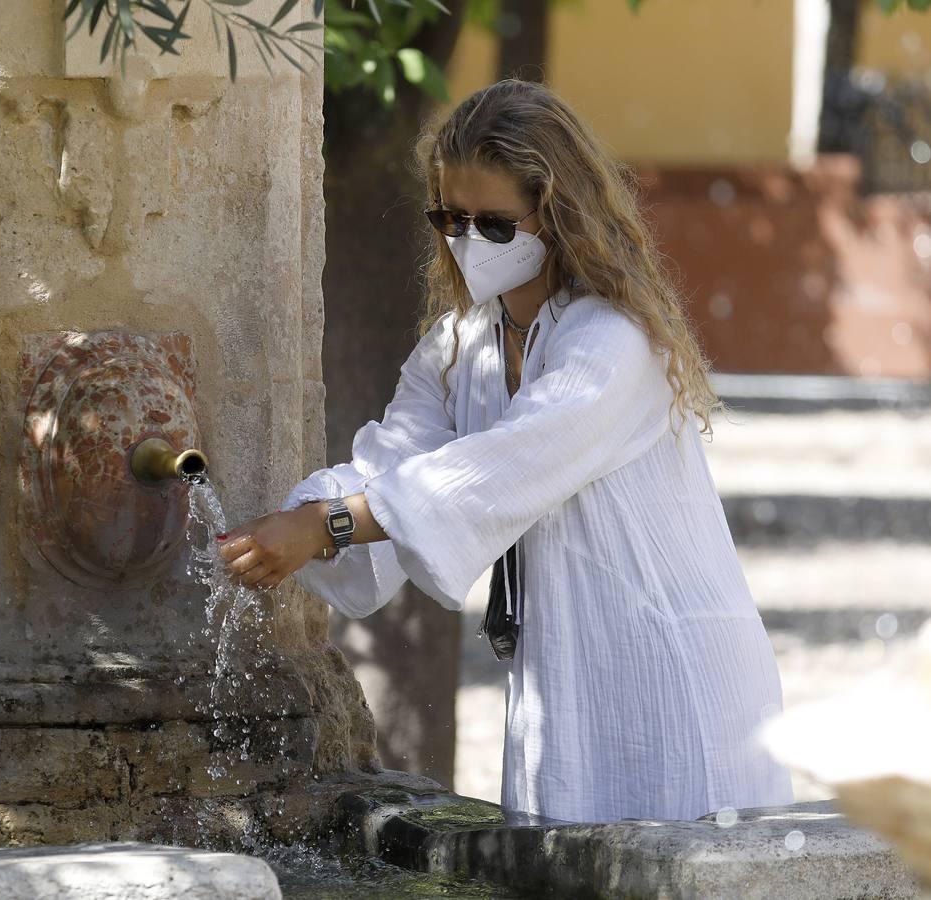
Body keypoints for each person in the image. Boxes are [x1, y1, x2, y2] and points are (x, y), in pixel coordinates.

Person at [215, 78, 795, 825]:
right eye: (449, 219)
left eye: (493, 226)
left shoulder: (612, 344)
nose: (466, 242)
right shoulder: (462, 345)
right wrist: (286, 523)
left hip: (673, 677)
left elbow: (493, 474)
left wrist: (324, 525)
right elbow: (391, 464)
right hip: (565, 674)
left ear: (557, 216)